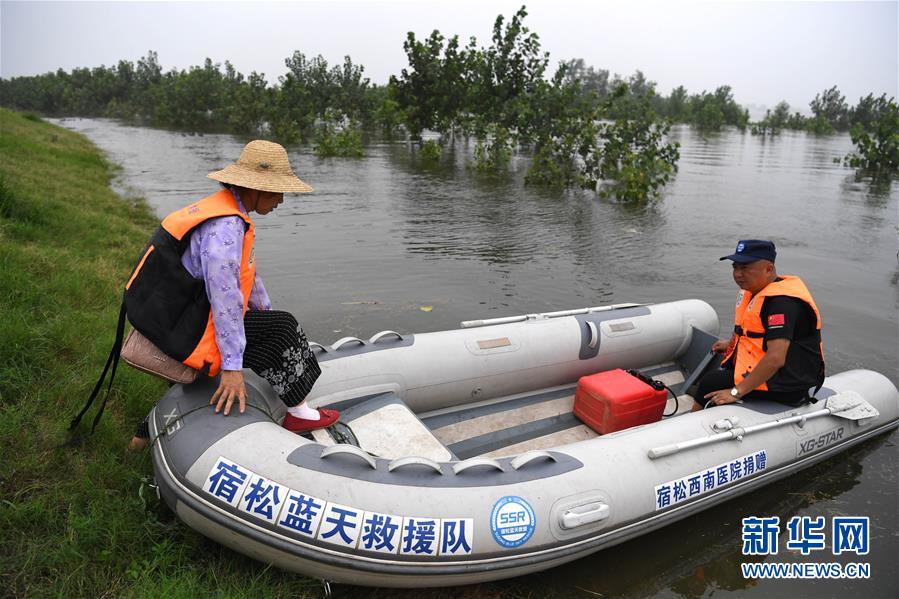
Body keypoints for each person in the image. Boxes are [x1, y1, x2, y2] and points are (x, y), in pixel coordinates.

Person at [126, 140, 339, 450]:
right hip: (187, 330)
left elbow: (246, 278)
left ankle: (138, 441)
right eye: (278, 192)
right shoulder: (226, 227)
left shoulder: (226, 212)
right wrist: (232, 367)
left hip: (182, 318)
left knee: (270, 323)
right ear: (257, 189)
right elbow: (225, 300)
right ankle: (299, 413)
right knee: (283, 330)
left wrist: (263, 313)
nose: (281, 200)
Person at [694, 239, 825, 410]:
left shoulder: (781, 303)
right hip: (774, 372)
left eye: (745, 268)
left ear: (769, 269)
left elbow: (775, 358)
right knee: (725, 368)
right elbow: (753, 332)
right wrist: (730, 344)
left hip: (787, 381)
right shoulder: (757, 292)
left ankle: (686, 427)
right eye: (735, 267)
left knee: (709, 382)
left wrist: (735, 392)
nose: (737, 274)